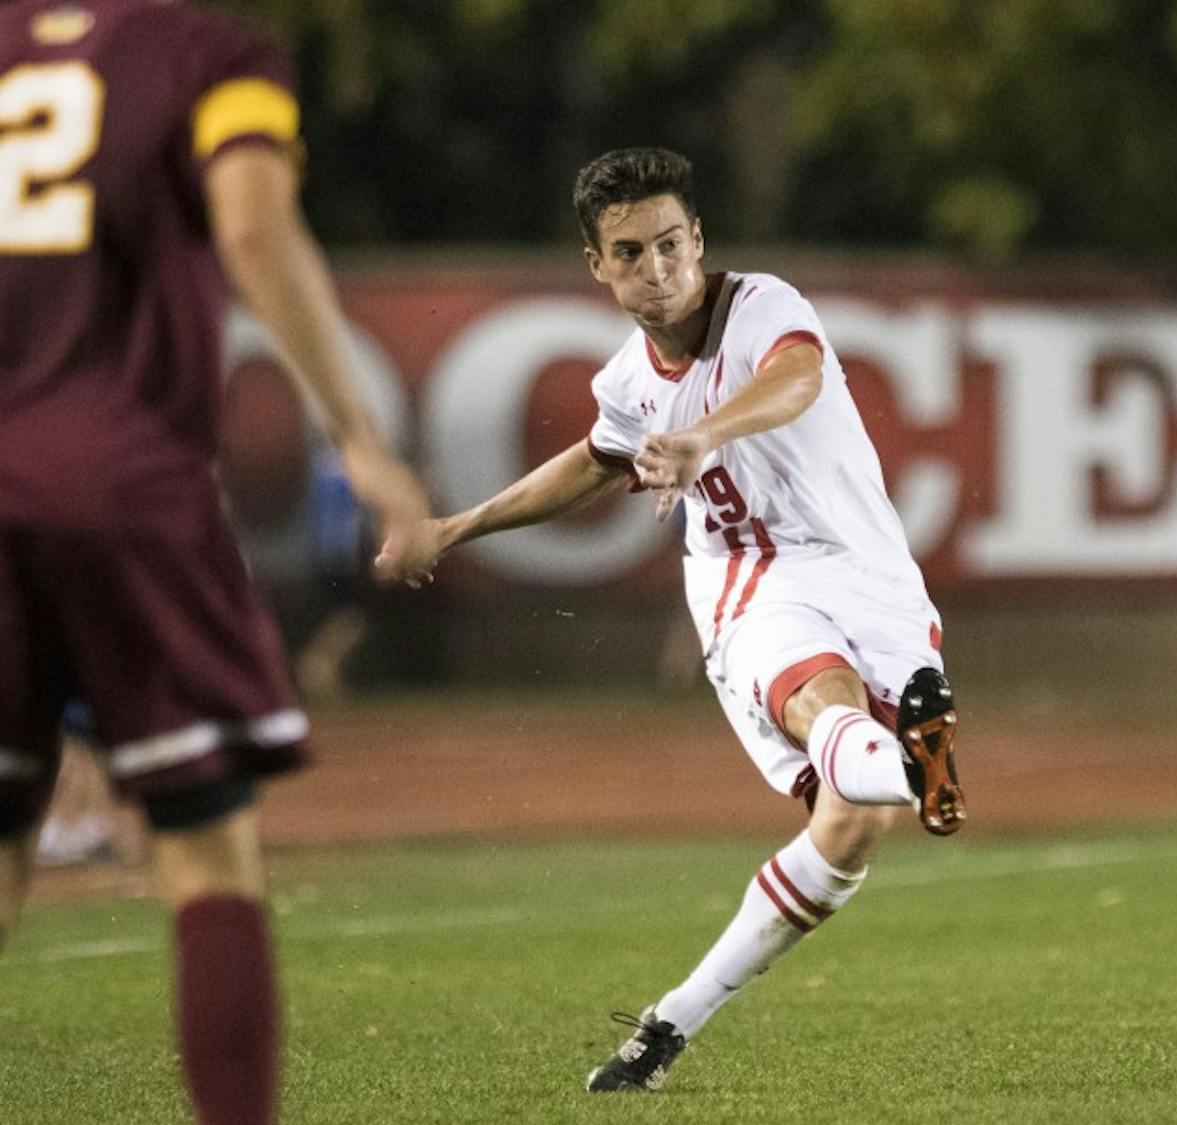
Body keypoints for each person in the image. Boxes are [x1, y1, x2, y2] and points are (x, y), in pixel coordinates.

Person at [378, 146, 965, 1093]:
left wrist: (701, 436)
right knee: (833, 732)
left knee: (851, 824)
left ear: (699, 240)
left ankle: (898, 763)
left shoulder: (764, 305)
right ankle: (669, 1025)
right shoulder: (627, 383)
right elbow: (587, 462)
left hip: (866, 569)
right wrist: (459, 525)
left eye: (670, 244)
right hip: (755, 583)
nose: (657, 270)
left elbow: (798, 378)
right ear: (597, 268)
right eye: (630, 252)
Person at [0, 3, 428, 1123]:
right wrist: (359, 436)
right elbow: (250, 230)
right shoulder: (210, 56)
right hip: (121, 478)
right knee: (204, 851)